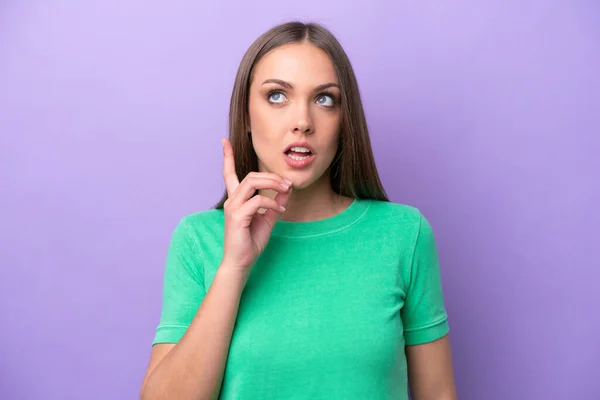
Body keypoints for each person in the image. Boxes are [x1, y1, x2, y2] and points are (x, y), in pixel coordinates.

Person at [140, 21, 457, 400]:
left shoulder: (404, 234)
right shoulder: (198, 239)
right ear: (245, 117)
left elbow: (438, 393)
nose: (302, 122)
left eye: (325, 99)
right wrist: (234, 267)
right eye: (277, 96)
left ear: (345, 122)